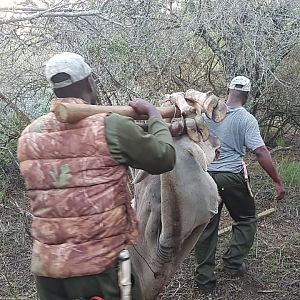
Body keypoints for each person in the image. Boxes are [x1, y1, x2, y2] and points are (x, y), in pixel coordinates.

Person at [17, 52, 176, 300]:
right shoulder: (110, 126)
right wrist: (155, 117)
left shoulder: (29, 135)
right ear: (90, 83)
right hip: (99, 269)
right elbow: (163, 158)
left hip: (48, 269)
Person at [194, 76, 285, 293]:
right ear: (247, 95)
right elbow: (261, 152)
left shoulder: (205, 115)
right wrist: (277, 181)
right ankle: (233, 263)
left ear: (228, 91)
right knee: (246, 219)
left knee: (207, 227)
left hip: (205, 177)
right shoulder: (246, 119)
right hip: (231, 177)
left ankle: (204, 281)